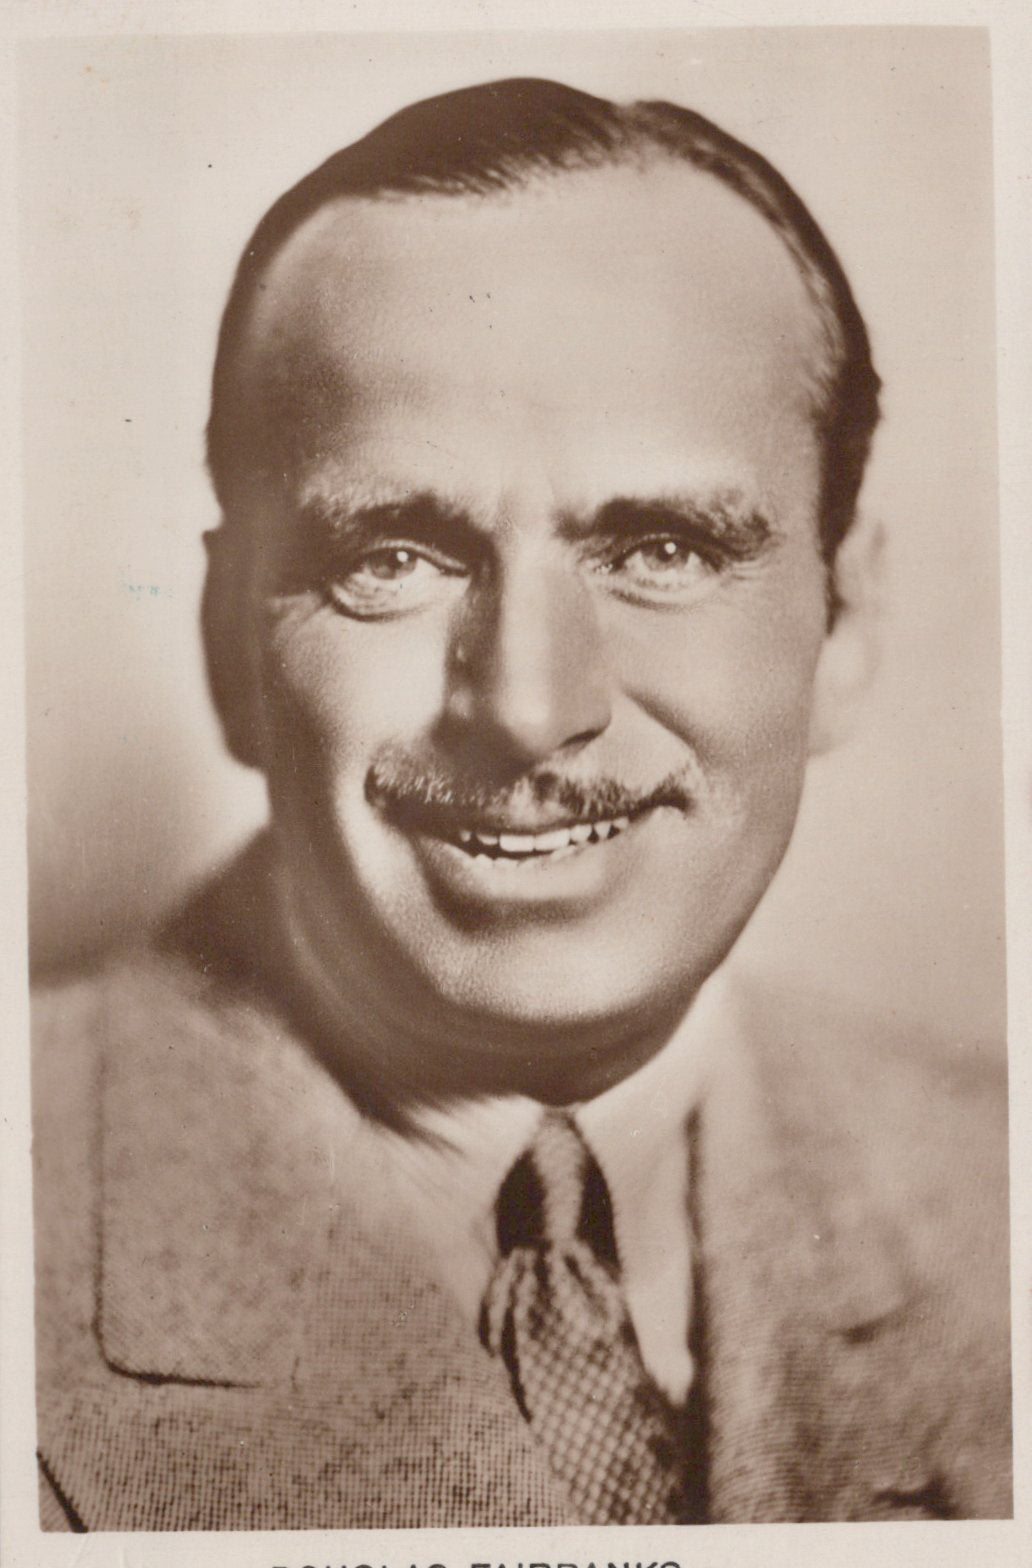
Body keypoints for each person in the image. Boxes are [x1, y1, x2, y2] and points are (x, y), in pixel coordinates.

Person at [31, 77, 1010, 1529]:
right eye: (394, 559)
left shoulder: (995, 1190)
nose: (533, 706)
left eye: (664, 549)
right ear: (230, 646)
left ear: (846, 621)